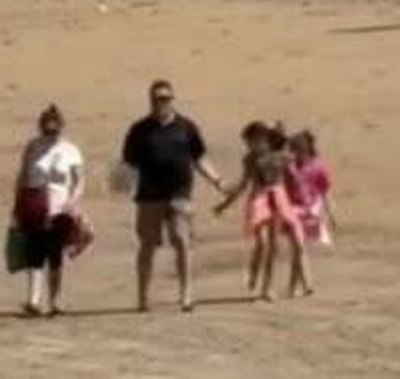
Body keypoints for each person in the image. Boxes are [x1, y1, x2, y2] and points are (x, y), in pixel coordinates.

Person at [121, 79, 225, 313]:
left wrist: (217, 180)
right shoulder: (139, 130)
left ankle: (186, 295)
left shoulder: (186, 127)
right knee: (147, 245)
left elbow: (199, 158)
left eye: (166, 98)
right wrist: (125, 187)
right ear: (151, 100)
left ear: (172, 99)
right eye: (158, 98)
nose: (162, 102)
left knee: (182, 242)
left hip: (180, 194)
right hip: (149, 196)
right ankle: (143, 297)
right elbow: (129, 163)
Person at [213, 122, 311, 300]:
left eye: (254, 142)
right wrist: (225, 204)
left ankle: (267, 287)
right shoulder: (250, 160)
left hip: (277, 198)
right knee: (263, 243)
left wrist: (303, 197)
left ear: (265, 140)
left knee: (273, 245)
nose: (251, 146)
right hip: (259, 200)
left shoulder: (280, 156)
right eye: (249, 143)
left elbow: (295, 173)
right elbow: (243, 184)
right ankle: (254, 270)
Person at [12, 104, 85, 317]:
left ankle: (55, 301)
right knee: (35, 252)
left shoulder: (71, 150)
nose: (51, 133)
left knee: (55, 254)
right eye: (47, 128)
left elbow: (79, 181)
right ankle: (34, 300)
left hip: (60, 207)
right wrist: (17, 204)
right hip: (35, 203)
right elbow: (23, 175)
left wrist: (74, 202)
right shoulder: (33, 147)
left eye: (55, 129)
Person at [285, 129, 335, 247]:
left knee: (316, 245)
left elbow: (325, 192)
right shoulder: (289, 167)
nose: (298, 151)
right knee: (297, 246)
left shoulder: (318, 166)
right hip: (294, 211)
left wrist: (330, 214)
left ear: (308, 147)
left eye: (301, 147)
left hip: (312, 212)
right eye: (295, 147)